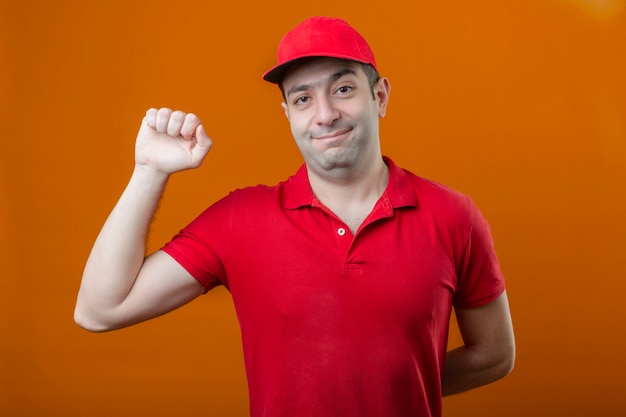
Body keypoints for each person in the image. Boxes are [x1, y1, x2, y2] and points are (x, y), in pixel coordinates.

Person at [75, 16, 515, 417]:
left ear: (379, 96)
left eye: (343, 89)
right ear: (288, 115)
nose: (325, 115)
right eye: (303, 98)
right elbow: (100, 309)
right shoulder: (240, 219)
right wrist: (150, 171)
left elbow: (494, 353)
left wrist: (390, 390)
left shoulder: (454, 216)